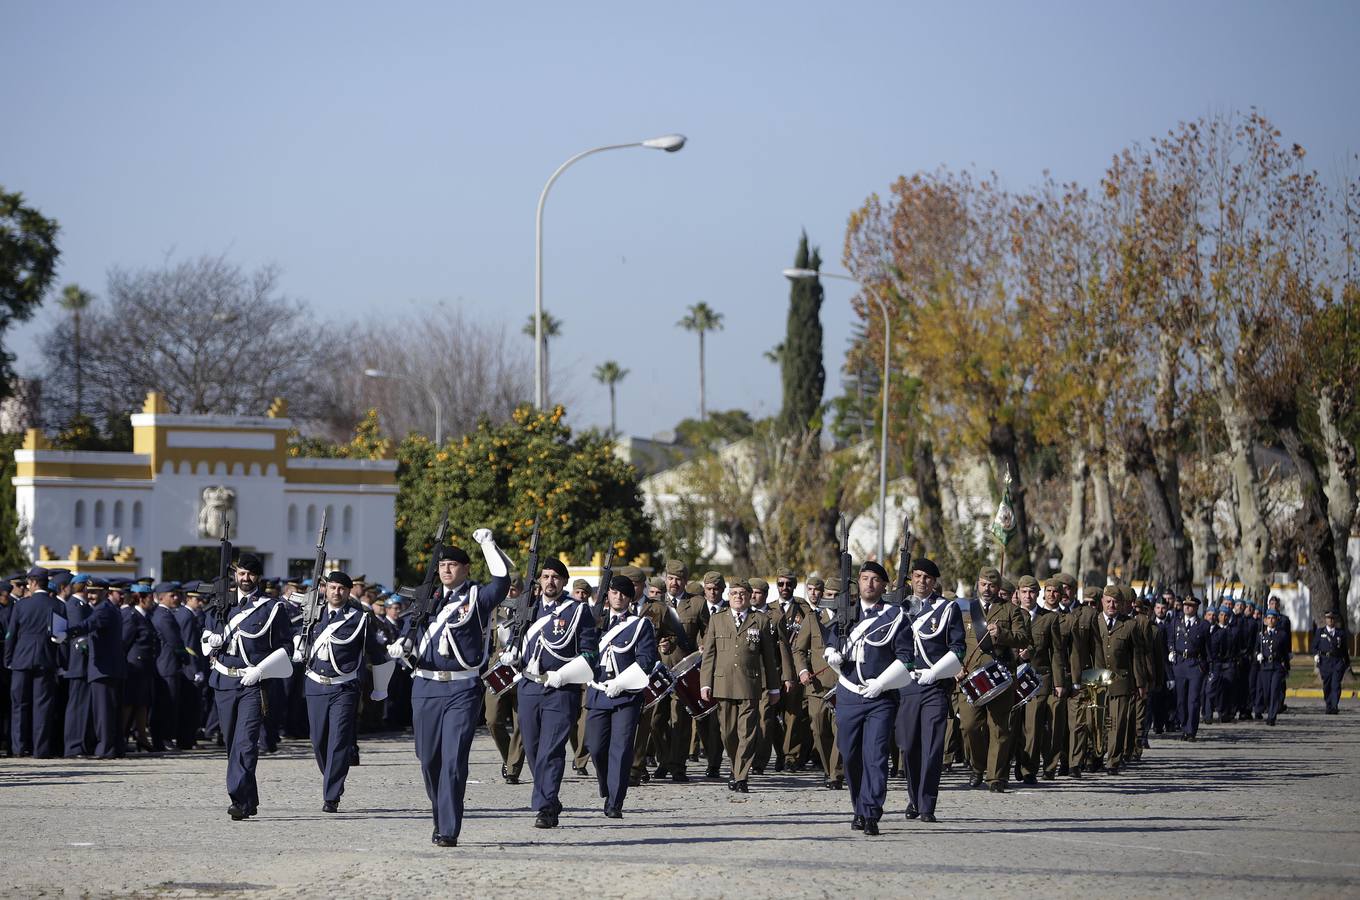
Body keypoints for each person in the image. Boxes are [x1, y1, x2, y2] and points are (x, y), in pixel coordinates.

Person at [391, 531, 511, 848]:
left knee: (454, 759)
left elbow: (501, 583)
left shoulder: (476, 598)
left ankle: (448, 828)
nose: (446, 570)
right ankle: (440, 811)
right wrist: (402, 645)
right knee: (428, 758)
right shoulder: (424, 599)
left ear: (466, 568)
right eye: (443, 564)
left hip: (462, 688)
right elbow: (409, 631)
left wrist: (487, 545)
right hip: (425, 685)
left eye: (453, 565)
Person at [200, 552, 295, 821]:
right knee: (232, 744)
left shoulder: (271, 608)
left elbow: (286, 647)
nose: (245, 578)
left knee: (245, 743)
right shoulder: (220, 605)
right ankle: (249, 799)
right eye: (241, 573)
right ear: (235, 575)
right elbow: (205, 640)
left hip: (253, 683)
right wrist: (211, 641)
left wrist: (261, 670)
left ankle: (238, 799)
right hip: (223, 680)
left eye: (250, 574)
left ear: (258, 577)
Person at [506, 555, 597, 829]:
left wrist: (563, 675)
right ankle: (549, 797)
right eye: (545, 576)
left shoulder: (578, 611)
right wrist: (511, 652)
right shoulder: (528, 608)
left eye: (555, 577)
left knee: (551, 750)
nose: (550, 581)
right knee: (532, 749)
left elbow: (590, 653)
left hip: (561, 688)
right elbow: (512, 638)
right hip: (528, 686)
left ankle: (546, 807)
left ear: (564, 582)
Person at [824, 561, 914, 836]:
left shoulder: (896, 617)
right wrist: (833, 657)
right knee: (850, 754)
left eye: (875, 579)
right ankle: (859, 807)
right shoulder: (845, 613)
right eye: (864, 578)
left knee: (875, 756)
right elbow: (828, 646)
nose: (869, 584)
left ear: (884, 585)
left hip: (881, 697)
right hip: (849, 694)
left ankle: (871, 812)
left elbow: (906, 658)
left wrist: (883, 683)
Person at [298, 571, 394, 813]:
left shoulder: (360, 619)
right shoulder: (313, 615)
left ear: (349, 591)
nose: (336, 592)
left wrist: (381, 688)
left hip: (344, 687)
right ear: (325, 590)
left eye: (341, 588)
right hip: (315, 684)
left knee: (339, 740)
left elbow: (377, 653)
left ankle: (331, 795)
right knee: (318, 740)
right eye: (332, 588)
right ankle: (333, 774)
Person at [699, 577, 782, 794]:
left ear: (748, 597)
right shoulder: (717, 620)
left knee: (747, 732)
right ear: (729, 596)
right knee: (728, 733)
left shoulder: (760, 620)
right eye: (734, 593)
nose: (738, 597)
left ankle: (741, 775)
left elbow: (770, 659)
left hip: (749, 683)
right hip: (723, 683)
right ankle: (736, 764)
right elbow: (708, 655)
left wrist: (773, 688)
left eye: (743, 594)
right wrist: (705, 683)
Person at [585, 575, 658, 818]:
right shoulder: (595, 620)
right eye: (614, 592)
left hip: (626, 695)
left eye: (623, 594)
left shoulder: (640, 625)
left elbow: (646, 660)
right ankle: (607, 785)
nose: (618, 597)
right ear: (608, 595)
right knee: (595, 747)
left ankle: (615, 801)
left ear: (630, 598)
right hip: (597, 692)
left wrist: (621, 682)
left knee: (622, 748)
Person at [896, 558, 962, 823]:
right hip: (906, 686)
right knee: (909, 746)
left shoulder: (947, 609)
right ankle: (914, 797)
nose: (921, 582)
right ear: (911, 578)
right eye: (917, 576)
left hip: (934, 686)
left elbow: (958, 648)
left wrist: (934, 672)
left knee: (933, 747)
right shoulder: (898, 608)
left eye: (927, 578)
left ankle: (927, 804)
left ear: (934, 582)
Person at [956, 566, 1030, 792]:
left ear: (999, 587)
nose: (987, 589)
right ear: (977, 584)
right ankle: (978, 767)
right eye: (983, 584)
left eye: (992, 585)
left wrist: (1002, 634)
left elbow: (1023, 638)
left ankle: (995, 777)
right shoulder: (965, 610)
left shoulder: (1010, 610)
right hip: (971, 678)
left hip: (1000, 676)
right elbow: (955, 642)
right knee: (969, 726)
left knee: (999, 728)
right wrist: (956, 667)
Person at [55, 578, 126, 758]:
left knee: (103, 712)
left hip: (103, 669)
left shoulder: (103, 610)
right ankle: (114, 747)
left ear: (105, 592)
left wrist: (66, 633)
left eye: (95, 592)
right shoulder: (109, 609)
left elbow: (87, 625)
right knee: (109, 710)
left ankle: (105, 749)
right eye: (89, 592)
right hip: (109, 667)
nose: (91, 596)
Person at [5, 567, 64, 758]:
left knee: (19, 705)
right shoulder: (57, 605)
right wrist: (61, 661)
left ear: (33, 582)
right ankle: (40, 749)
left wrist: (8, 659)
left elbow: (11, 634)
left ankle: (19, 748)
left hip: (21, 658)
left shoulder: (22, 605)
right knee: (42, 706)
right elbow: (60, 636)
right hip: (46, 658)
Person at [792, 575, 842, 790]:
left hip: (843, 684)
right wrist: (803, 670)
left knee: (841, 729)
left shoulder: (852, 619)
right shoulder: (813, 619)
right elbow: (799, 649)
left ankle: (836, 773)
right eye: (829, 595)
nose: (832, 598)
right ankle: (828, 766)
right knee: (819, 730)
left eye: (837, 595)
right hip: (818, 686)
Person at [1091, 586, 1147, 774]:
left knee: (1117, 723)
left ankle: (1113, 761)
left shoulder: (1129, 625)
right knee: (1097, 722)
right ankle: (1096, 757)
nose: (1111, 605)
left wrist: (1140, 683)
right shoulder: (1094, 621)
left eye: (1115, 602)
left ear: (1122, 604)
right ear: (1102, 603)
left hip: (1120, 680)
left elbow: (1136, 656)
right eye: (1108, 601)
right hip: (1097, 679)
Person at [1256, 609, 1290, 725]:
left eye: (1273, 618)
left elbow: (1285, 653)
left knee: (1274, 691)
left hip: (1276, 667)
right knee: (1266, 693)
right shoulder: (1261, 635)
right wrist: (1258, 655)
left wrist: (1287, 668)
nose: (1271, 620)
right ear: (1265, 620)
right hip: (1265, 666)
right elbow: (1255, 649)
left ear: (1276, 620)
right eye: (1269, 618)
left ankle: (1272, 716)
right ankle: (1269, 708)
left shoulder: (1282, 635)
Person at [1313, 609, 1349, 715]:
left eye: (1332, 618)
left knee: (1336, 684)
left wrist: (1346, 663)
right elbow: (1314, 646)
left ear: (1335, 620)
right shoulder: (1320, 632)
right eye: (1329, 618)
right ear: (1326, 620)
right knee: (1327, 685)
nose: (1331, 620)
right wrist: (1316, 655)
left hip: (1337, 661)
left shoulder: (1340, 633)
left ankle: (1334, 706)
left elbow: (1344, 649)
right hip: (1325, 662)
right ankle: (1328, 705)